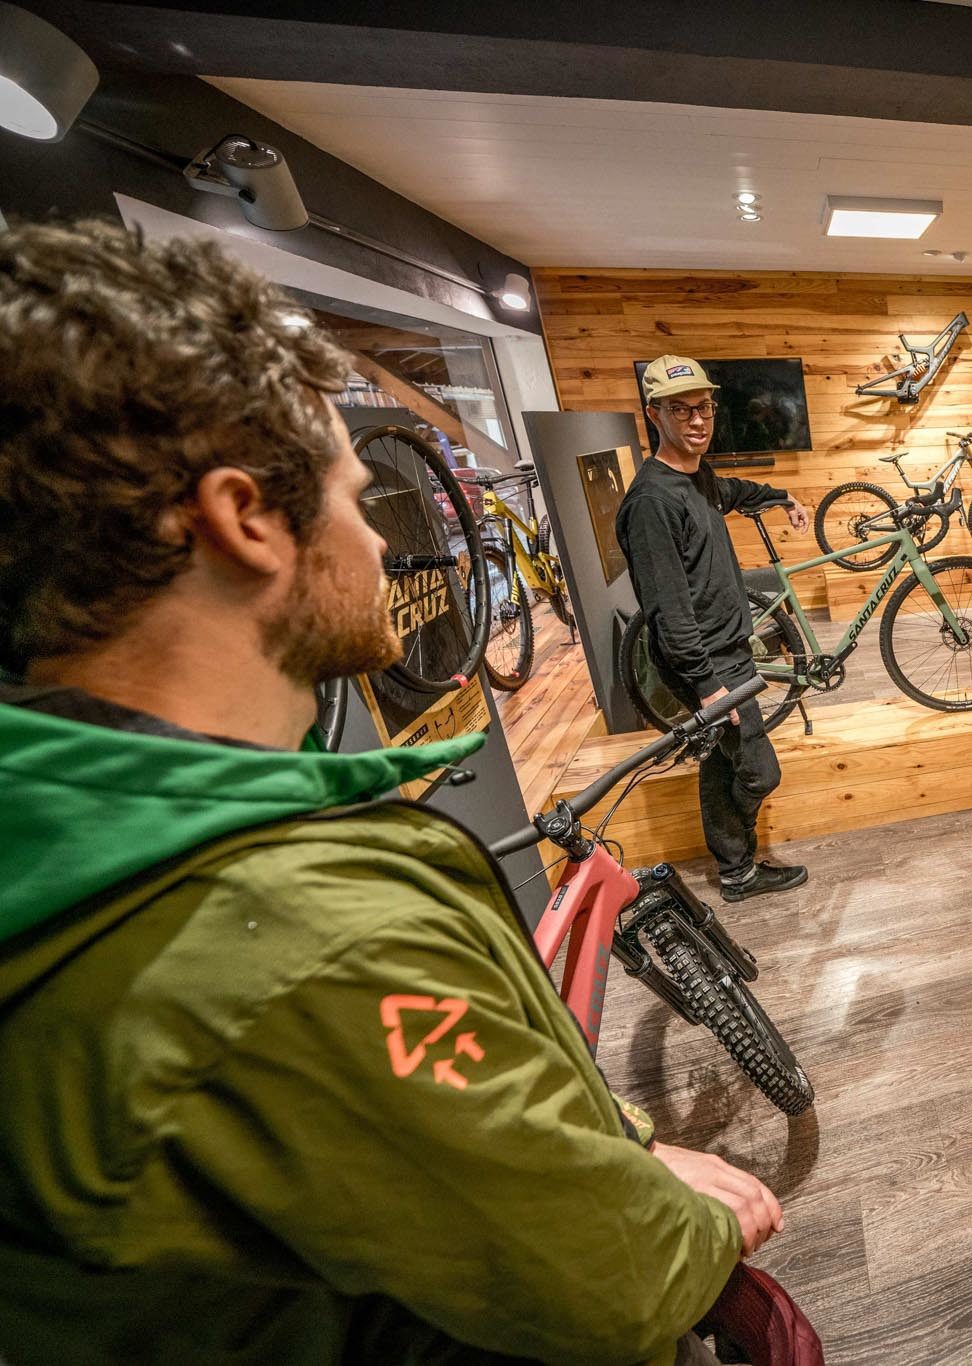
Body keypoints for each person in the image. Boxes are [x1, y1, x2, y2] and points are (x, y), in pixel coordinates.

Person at [0, 220, 781, 1364]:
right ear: (244, 520)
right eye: (355, 498)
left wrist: (620, 1145)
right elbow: (620, 1276)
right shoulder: (302, 941)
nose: (381, 543)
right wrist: (699, 1223)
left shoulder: (93, 839)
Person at [619, 357, 812, 903]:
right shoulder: (652, 503)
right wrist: (708, 688)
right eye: (681, 410)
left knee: (721, 758)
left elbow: (729, 491)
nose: (698, 420)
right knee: (758, 772)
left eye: (703, 406)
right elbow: (668, 612)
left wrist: (780, 497)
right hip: (707, 662)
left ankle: (734, 872)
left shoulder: (694, 477)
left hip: (729, 650)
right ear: (654, 414)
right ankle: (740, 862)